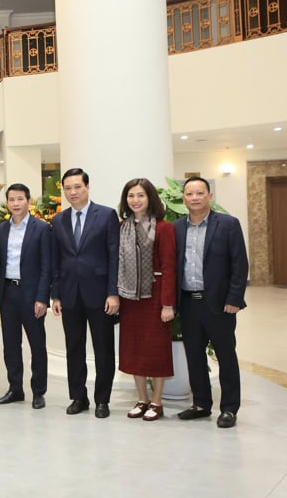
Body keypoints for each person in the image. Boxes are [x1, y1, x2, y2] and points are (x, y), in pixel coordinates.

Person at [174, 176, 248, 429]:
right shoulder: (177, 228)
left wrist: (234, 298)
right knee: (194, 356)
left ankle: (229, 408)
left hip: (219, 304)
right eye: (189, 194)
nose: (194, 198)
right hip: (188, 303)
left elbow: (239, 264)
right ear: (183, 197)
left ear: (209, 196)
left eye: (199, 193)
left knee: (225, 356)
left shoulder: (227, 225)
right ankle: (201, 404)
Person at [51, 168, 120, 418]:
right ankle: (78, 396)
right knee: (74, 348)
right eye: (68, 188)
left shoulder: (106, 215)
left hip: (100, 294)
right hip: (69, 295)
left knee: (103, 349)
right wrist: (55, 295)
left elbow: (115, 256)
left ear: (87, 187)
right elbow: (56, 260)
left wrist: (113, 293)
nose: (73, 192)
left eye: (77, 187)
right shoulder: (58, 220)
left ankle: (103, 399)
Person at [116, 178, 176, 422]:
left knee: (156, 350)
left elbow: (170, 266)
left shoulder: (163, 228)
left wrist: (168, 304)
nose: (136, 200)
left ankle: (157, 401)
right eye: (131, 196)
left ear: (150, 197)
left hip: (155, 295)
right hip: (130, 297)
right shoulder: (122, 227)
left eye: (140, 195)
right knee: (134, 349)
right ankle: (141, 399)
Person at [0, 183, 51, 409]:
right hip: (8, 293)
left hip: (31, 295)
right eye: (11, 199)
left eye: (20, 199)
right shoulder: (1, 229)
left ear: (28, 202)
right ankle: (15, 388)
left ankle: (39, 391)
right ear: (7, 203)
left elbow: (47, 265)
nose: (15, 204)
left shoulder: (41, 228)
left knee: (37, 345)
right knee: (10, 345)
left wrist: (42, 298)